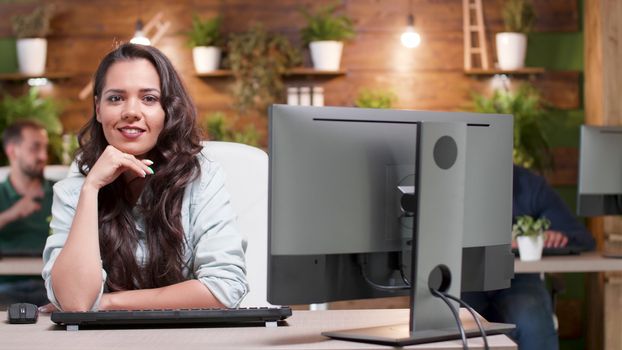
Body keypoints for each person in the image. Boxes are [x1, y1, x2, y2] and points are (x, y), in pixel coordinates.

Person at [41, 43, 248, 312]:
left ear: (167, 109)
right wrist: (91, 188)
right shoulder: (76, 186)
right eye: (115, 98)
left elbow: (226, 288)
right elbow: (76, 303)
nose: (131, 111)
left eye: (149, 98)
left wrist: (110, 302)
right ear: (98, 108)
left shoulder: (201, 178)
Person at [462, 165, 596, 350]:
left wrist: (552, 236)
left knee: (533, 323)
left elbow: (582, 237)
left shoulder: (527, 184)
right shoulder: (449, 180)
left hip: (518, 279)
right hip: (463, 279)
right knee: (453, 327)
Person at [0, 120, 52, 306]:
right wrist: (11, 214)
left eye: (45, 148)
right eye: (35, 148)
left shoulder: (61, 193)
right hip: (5, 287)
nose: (43, 156)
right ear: (12, 151)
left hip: (51, 287)